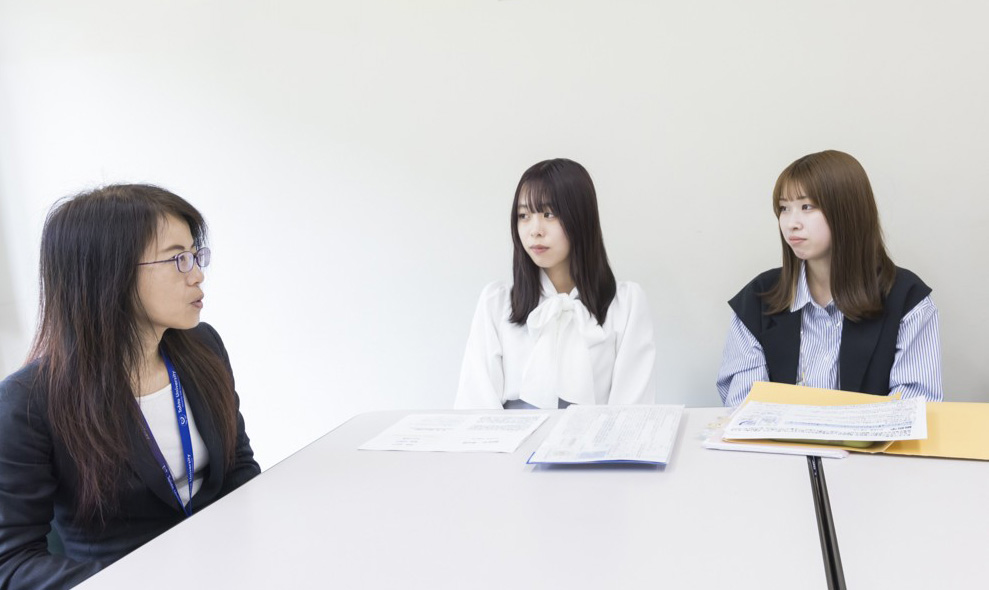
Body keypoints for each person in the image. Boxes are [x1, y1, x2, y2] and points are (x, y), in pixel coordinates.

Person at [0, 184, 261, 588]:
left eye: (195, 255)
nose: (197, 274)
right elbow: (13, 562)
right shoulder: (27, 404)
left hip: (226, 568)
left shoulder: (203, 347)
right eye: (178, 259)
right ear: (110, 273)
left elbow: (239, 468)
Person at [717, 150, 942, 407]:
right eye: (784, 208)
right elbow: (746, 408)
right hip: (778, 437)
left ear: (847, 211)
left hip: (872, 438)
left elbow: (914, 409)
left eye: (807, 207)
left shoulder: (907, 300)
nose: (791, 223)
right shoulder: (757, 300)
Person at [455, 158, 656, 409]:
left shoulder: (626, 304)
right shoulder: (497, 303)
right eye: (524, 215)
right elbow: (475, 408)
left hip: (598, 434)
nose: (535, 230)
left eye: (549, 214)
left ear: (580, 218)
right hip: (511, 435)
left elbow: (633, 414)